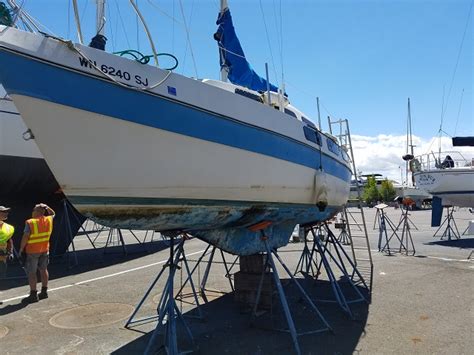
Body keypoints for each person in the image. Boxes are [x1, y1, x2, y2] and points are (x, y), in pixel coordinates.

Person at [20, 203, 55, 303]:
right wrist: (47, 207)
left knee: (32, 273)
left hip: (32, 251)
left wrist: (21, 248)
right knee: (44, 270)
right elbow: (53, 213)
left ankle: (33, 294)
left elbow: (25, 236)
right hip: (45, 249)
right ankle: (44, 292)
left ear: (37, 212)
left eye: (34, 210)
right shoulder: (49, 219)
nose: (32, 212)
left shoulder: (30, 222)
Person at [0, 205, 14, 279]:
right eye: (4, 211)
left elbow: (9, 240)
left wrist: (10, 252)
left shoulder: (8, 227)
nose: (6, 213)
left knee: (2, 278)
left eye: (7, 211)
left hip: (2, 258)